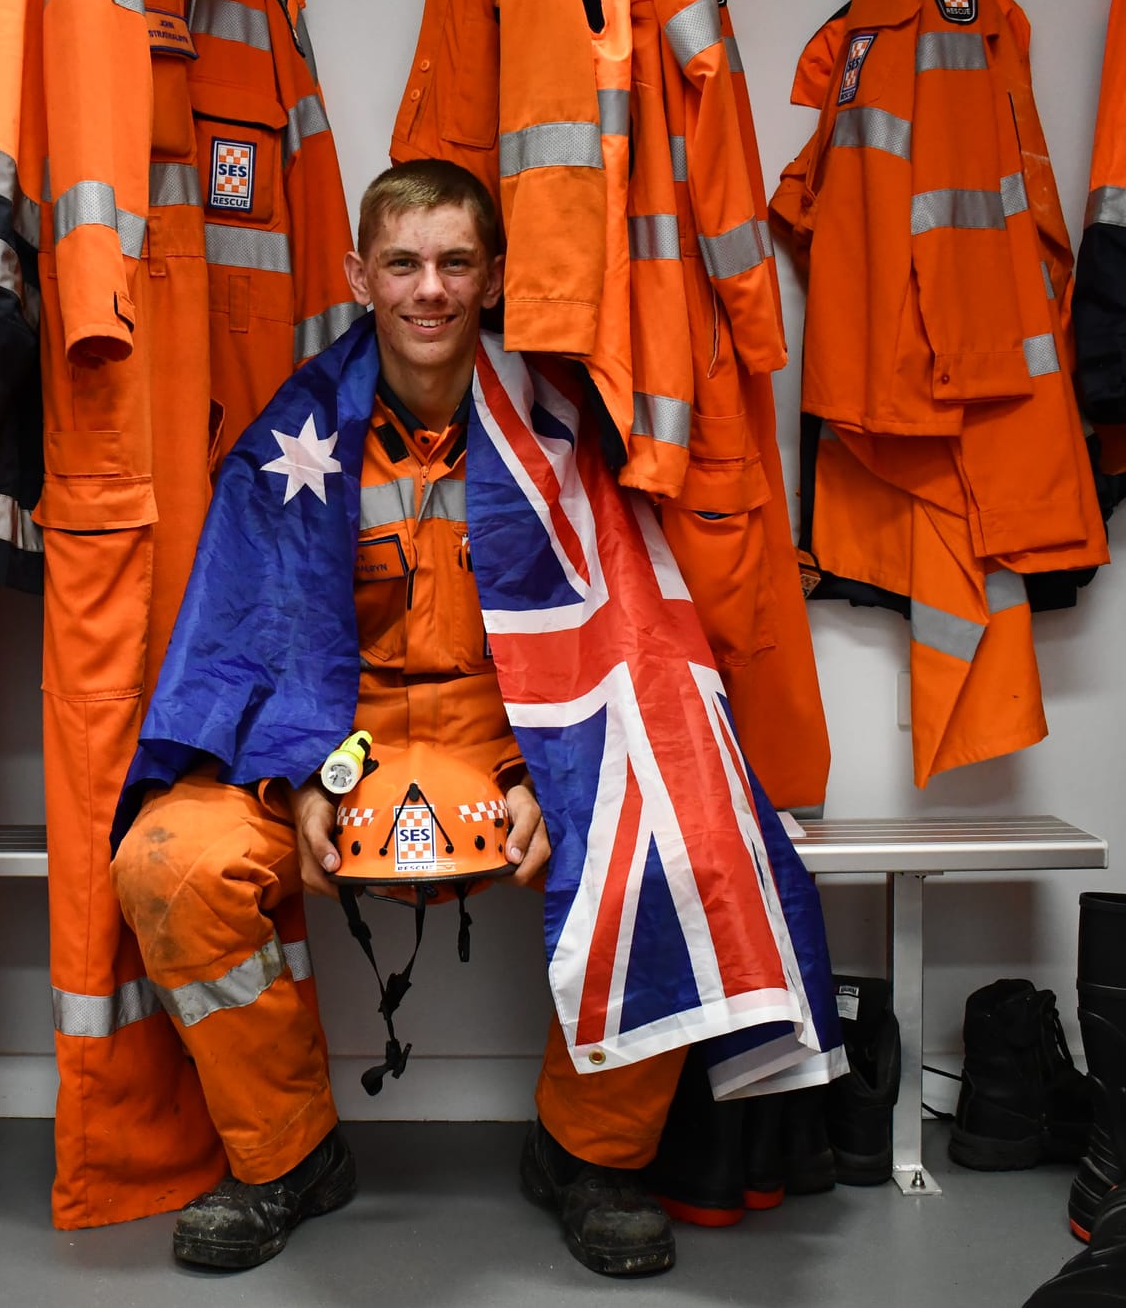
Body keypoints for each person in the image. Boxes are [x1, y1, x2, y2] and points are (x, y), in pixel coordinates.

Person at [108, 161, 690, 1277]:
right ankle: (285, 1155)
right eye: (403, 263)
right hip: (348, 742)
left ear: (494, 277)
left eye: (455, 263)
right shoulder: (297, 433)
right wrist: (301, 780)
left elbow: (612, 644)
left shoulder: (557, 434)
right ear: (358, 275)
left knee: (662, 843)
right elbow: (251, 642)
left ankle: (590, 1153)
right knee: (168, 861)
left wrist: (539, 771)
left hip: (509, 741)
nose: (429, 289)